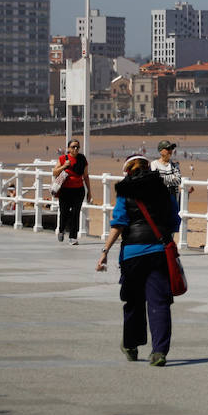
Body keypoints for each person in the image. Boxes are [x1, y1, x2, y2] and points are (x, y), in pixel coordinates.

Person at [95, 155, 181, 366]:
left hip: (132, 254)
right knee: (159, 302)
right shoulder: (164, 191)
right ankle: (159, 352)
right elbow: (174, 221)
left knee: (133, 301)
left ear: (128, 172)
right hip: (159, 251)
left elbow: (119, 223)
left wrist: (105, 251)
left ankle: (131, 346)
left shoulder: (125, 192)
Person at [51, 139, 91, 244]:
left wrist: (89, 191)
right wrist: (64, 166)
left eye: (77, 147)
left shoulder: (82, 159)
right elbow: (54, 172)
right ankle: (61, 230)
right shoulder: (63, 158)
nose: (76, 149)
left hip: (78, 190)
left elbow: (86, 176)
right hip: (65, 190)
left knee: (75, 213)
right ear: (68, 149)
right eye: (73, 147)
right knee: (64, 212)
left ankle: (73, 237)